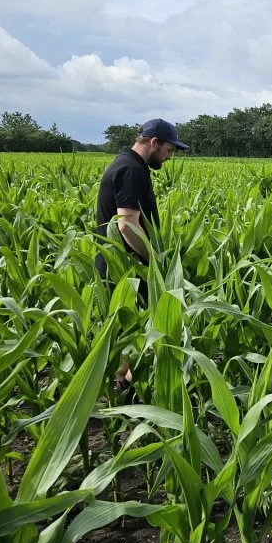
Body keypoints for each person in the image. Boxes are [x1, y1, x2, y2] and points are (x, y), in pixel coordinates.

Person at [94, 117, 188, 389]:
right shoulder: (131, 170)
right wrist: (155, 261)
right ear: (154, 142)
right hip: (126, 269)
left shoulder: (127, 165)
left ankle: (124, 384)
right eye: (169, 150)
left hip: (122, 266)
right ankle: (127, 388)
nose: (169, 157)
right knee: (134, 330)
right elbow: (126, 225)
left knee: (128, 330)